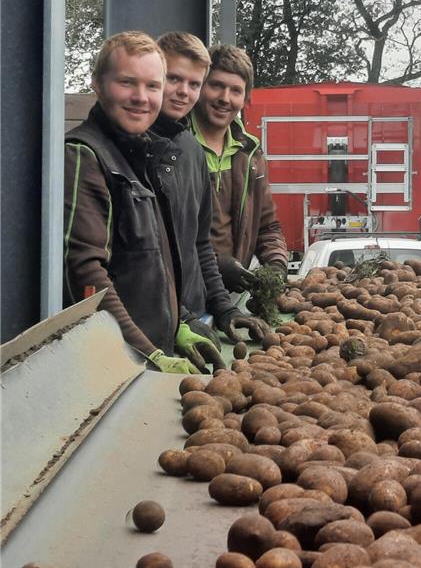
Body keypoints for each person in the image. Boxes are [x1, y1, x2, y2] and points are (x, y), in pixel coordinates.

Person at [63, 31, 195, 374]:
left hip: (145, 361)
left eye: (152, 86)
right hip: (113, 368)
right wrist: (150, 353)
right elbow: (86, 276)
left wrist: (178, 323)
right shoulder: (84, 155)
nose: (141, 97)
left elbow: (155, 261)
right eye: (127, 83)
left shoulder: (146, 157)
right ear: (97, 84)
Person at [149, 32, 270, 372]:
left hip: (198, 309)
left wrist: (226, 308)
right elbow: (145, 257)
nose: (182, 91)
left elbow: (197, 243)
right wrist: (176, 321)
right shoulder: (137, 149)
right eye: (173, 79)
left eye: (192, 83)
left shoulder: (195, 151)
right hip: (157, 322)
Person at [190, 44, 288, 293]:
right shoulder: (175, 145)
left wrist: (276, 265)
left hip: (229, 295)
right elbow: (159, 235)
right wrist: (214, 264)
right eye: (216, 85)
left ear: (246, 99)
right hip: (184, 295)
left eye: (236, 90)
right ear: (199, 86)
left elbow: (268, 226)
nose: (225, 98)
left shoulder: (250, 154)